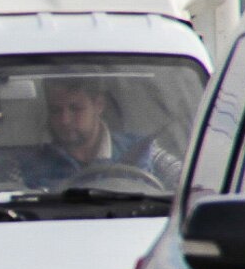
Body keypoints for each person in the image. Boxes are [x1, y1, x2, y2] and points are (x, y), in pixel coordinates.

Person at [19, 77, 178, 191]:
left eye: (76, 109)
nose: (65, 120)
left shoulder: (146, 151)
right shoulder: (28, 167)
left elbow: (189, 184)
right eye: (56, 110)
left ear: (99, 105)